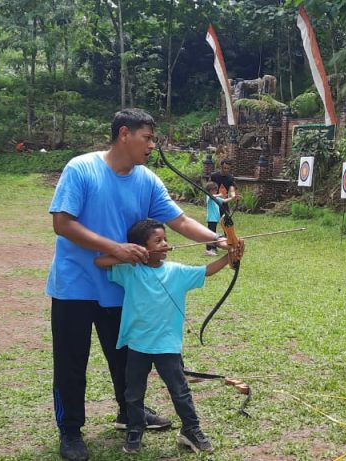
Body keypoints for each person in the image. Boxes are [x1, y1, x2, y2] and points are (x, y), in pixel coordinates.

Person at [46, 108, 243, 461]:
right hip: (74, 285)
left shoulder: (147, 180)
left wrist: (219, 241)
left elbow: (180, 220)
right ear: (124, 134)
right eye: (147, 138)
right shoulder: (81, 168)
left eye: (153, 139)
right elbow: (63, 223)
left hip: (120, 288)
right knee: (71, 362)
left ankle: (129, 412)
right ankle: (71, 431)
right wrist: (115, 248)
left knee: (125, 358)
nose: (152, 145)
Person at [96, 219, 230, 454]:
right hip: (138, 344)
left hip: (167, 345)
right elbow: (100, 261)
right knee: (134, 392)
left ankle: (191, 429)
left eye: (165, 239)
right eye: (158, 241)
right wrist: (130, 254)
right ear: (141, 247)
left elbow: (207, 271)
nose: (166, 244)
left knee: (179, 390)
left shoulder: (176, 271)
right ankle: (135, 428)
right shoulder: (130, 271)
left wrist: (231, 257)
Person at [203, 181, 234, 257]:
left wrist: (232, 197)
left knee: (213, 234)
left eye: (216, 190)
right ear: (210, 190)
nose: (216, 191)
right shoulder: (209, 197)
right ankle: (208, 250)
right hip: (211, 219)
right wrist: (220, 194)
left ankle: (211, 249)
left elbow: (224, 201)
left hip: (215, 220)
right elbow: (211, 196)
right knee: (211, 235)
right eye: (214, 190)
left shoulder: (215, 197)